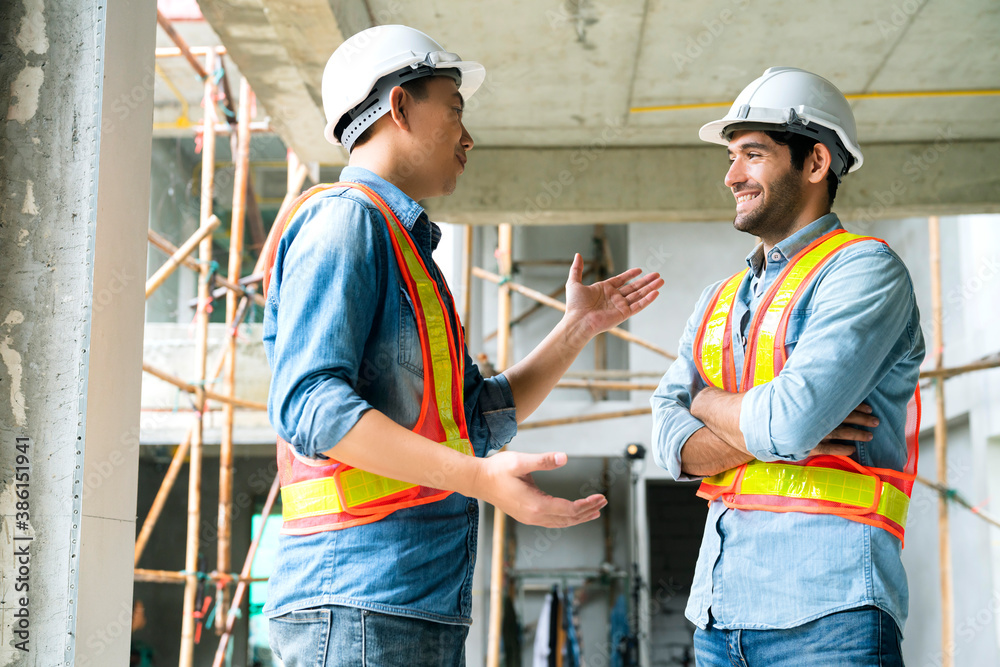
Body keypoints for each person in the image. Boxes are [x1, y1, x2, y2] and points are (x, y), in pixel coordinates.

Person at [261, 25, 662, 666]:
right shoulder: (345, 221)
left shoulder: (400, 242)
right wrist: (481, 479)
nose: (468, 137)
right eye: (455, 110)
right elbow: (311, 408)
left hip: (408, 597)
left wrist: (576, 329)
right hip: (358, 597)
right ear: (398, 107)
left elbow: (474, 419)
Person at [650, 67, 924, 666]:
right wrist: (761, 428)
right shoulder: (720, 299)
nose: (731, 176)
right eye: (730, 156)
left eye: (752, 154)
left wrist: (704, 405)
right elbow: (667, 442)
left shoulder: (864, 273)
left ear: (816, 162)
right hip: (718, 617)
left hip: (831, 616)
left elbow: (788, 423)